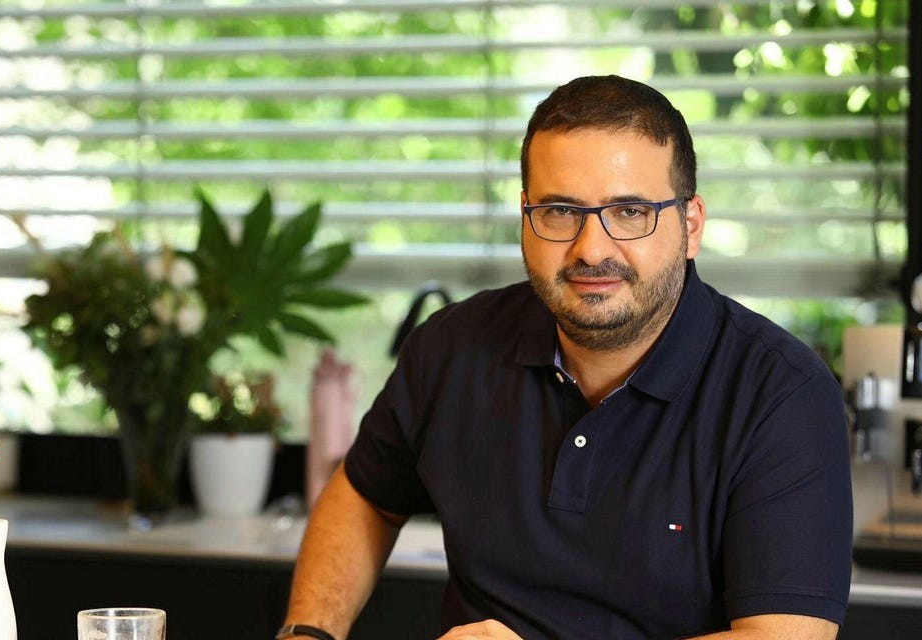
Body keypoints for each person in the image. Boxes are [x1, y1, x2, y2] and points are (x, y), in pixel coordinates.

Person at [278, 75, 852, 640]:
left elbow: (783, 636)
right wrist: (309, 632)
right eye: (559, 210)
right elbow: (365, 496)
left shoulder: (782, 393)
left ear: (691, 224)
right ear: (526, 217)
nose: (592, 249)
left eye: (630, 212)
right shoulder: (450, 347)